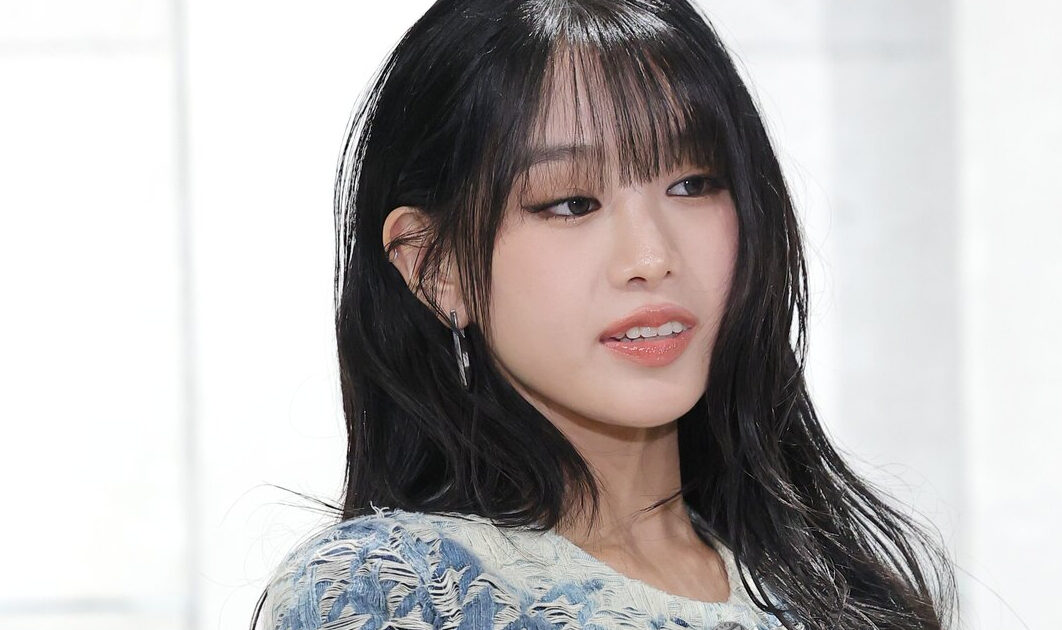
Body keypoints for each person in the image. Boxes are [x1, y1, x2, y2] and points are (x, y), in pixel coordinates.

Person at [253, 0, 958, 629]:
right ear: (435, 266)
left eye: (693, 184)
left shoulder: (846, 598)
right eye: (571, 203)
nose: (651, 257)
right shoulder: (395, 595)